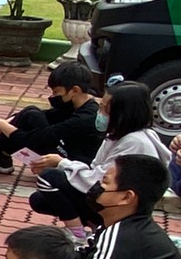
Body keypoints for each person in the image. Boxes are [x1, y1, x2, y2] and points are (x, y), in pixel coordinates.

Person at [28, 81, 170, 236]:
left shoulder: (135, 142)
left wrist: (62, 163)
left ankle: (78, 233)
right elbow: (96, 169)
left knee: (49, 177)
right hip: (108, 194)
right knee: (40, 199)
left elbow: (100, 180)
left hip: (119, 203)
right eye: (101, 106)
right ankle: (96, 225)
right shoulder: (117, 136)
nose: (100, 113)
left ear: (122, 114)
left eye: (105, 110)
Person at [0, 62, 100, 177]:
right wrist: (3, 124)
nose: (53, 97)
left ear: (74, 90)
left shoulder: (86, 117)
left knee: (30, 124)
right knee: (31, 112)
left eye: (56, 92)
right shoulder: (75, 105)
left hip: (72, 163)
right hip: (62, 148)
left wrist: (3, 125)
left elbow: (37, 139)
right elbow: (43, 115)